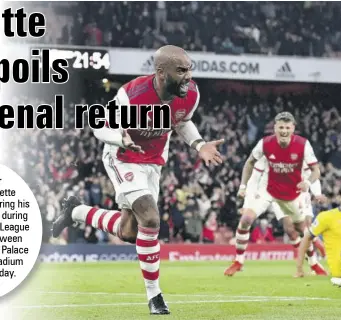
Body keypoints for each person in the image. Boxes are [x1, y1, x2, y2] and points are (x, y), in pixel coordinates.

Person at [51, 45, 225, 315]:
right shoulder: (131, 94)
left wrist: (199, 144)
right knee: (151, 218)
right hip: (122, 156)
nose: (188, 76)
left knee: (130, 232)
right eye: (181, 70)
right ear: (160, 72)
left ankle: (76, 210)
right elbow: (98, 125)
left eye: (190, 69)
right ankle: (155, 296)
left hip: (153, 161)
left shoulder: (191, 93)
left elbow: (182, 121)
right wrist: (122, 138)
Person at [224, 112, 324, 276]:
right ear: (275, 128)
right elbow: (249, 163)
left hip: (291, 192)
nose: (284, 131)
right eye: (280, 127)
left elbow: (316, 171)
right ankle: (238, 261)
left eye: (287, 127)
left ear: (293, 129)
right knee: (246, 219)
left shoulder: (303, 145)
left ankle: (314, 264)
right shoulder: (265, 143)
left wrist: (308, 183)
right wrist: (243, 186)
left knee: (301, 229)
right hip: (268, 189)